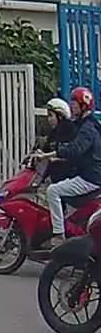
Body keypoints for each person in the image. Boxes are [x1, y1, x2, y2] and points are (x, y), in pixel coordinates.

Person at [34, 87, 101, 249]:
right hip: (87, 173)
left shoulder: (88, 128)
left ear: (83, 106)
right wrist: (55, 157)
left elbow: (74, 149)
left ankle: (59, 235)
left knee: (53, 191)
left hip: (91, 177)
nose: (72, 107)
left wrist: (47, 156)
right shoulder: (82, 124)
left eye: (74, 104)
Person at [42, 97, 78, 183]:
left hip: (69, 177)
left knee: (52, 190)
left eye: (51, 115)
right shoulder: (54, 132)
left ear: (60, 116)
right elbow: (46, 149)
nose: (49, 119)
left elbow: (70, 155)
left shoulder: (69, 130)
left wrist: (54, 158)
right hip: (56, 177)